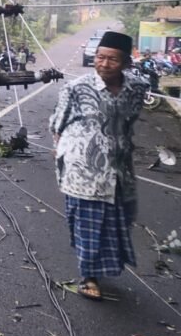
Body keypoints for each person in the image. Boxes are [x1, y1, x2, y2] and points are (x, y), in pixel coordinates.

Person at [50, 31, 148, 301]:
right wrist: (60, 150)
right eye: (100, 57)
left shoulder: (137, 88)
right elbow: (58, 123)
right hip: (83, 168)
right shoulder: (77, 87)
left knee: (120, 219)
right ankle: (88, 277)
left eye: (112, 60)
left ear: (126, 62)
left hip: (119, 167)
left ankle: (101, 266)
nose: (104, 64)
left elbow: (129, 121)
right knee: (88, 223)